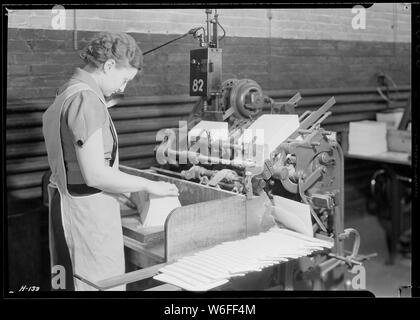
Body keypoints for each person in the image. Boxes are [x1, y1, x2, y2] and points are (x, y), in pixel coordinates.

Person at [42, 32, 179, 291]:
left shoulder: (67, 91)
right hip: (87, 218)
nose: (122, 88)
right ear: (108, 66)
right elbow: (94, 174)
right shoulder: (86, 100)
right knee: (98, 286)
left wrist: (125, 188)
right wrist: (148, 186)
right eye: (124, 79)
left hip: (68, 205)